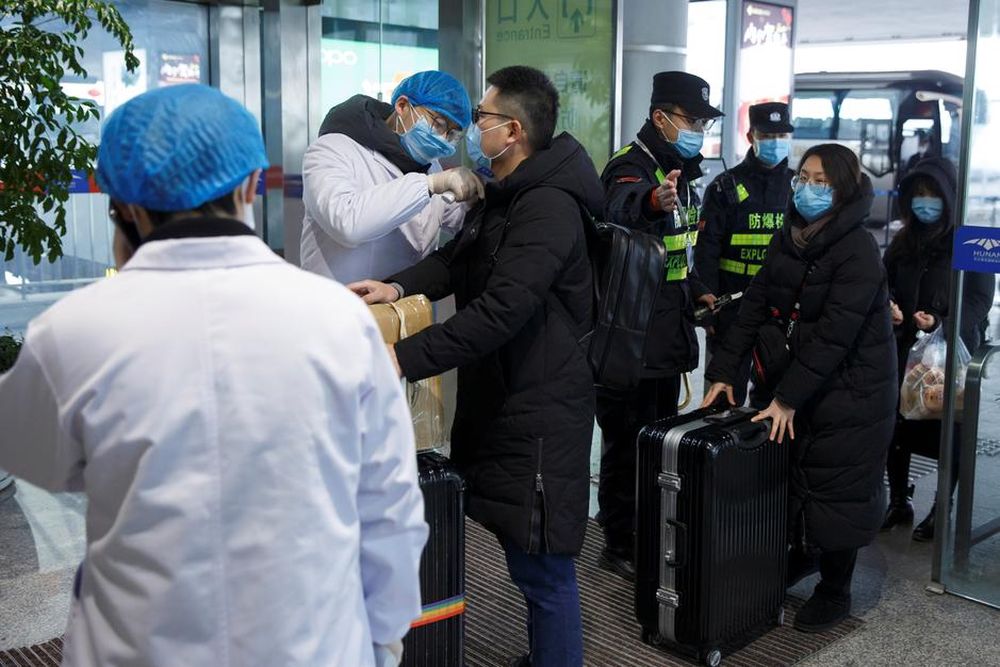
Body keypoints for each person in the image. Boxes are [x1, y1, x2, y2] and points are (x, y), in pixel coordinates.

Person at [0, 84, 428, 667]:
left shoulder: (71, 332)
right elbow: (389, 507)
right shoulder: (341, 323)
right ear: (252, 185)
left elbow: (31, 457)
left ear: (120, 202)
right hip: (317, 647)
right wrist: (379, 641)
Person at [349, 66, 597, 667]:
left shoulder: (548, 208)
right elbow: (457, 265)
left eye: (482, 118)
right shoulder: (506, 193)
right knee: (525, 557)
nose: (472, 129)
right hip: (510, 402)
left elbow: (500, 312)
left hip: (542, 411)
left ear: (512, 130)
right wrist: (396, 286)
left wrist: (401, 358)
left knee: (544, 568)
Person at [703, 144, 897, 633]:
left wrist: (786, 399)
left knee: (837, 483)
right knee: (788, 475)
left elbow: (835, 335)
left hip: (851, 390)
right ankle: (801, 554)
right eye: (803, 178)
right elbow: (754, 307)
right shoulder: (790, 237)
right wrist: (725, 373)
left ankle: (836, 589)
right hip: (795, 377)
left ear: (844, 188)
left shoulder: (858, 251)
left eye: (820, 181)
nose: (807, 189)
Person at [596, 71, 723, 579]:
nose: (698, 130)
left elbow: (678, 256)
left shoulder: (683, 174)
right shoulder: (630, 169)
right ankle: (618, 539)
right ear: (660, 118)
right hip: (631, 337)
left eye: (702, 122)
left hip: (667, 332)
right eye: (691, 120)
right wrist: (652, 202)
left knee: (657, 438)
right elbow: (619, 209)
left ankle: (648, 527)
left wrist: (697, 291)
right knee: (626, 441)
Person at [881, 157, 994, 541]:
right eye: (918, 196)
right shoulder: (901, 241)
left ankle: (942, 508)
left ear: (949, 197)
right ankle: (898, 499)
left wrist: (943, 325)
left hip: (951, 356)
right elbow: (885, 285)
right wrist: (892, 308)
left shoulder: (971, 239)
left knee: (950, 432)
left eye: (932, 196)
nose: (924, 203)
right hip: (905, 350)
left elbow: (980, 300)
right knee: (897, 426)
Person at [300, 70, 482, 283]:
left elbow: (458, 218)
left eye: (452, 134)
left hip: (403, 305)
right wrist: (429, 184)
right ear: (402, 106)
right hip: (339, 305)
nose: (442, 139)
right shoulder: (332, 149)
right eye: (439, 124)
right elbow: (347, 223)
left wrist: (474, 200)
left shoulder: (431, 166)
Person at [693, 102, 796, 408]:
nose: (775, 141)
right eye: (767, 134)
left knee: (773, 397)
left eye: (781, 134)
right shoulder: (725, 187)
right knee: (723, 395)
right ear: (751, 136)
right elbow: (707, 249)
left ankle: (764, 455)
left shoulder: (797, 187)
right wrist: (708, 301)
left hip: (780, 310)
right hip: (732, 308)